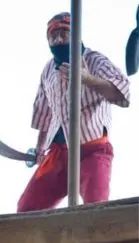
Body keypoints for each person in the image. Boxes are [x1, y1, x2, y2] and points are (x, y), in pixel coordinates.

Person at [17, 11, 130, 213]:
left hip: (92, 149)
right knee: (27, 208)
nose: (59, 39)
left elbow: (123, 96)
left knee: (95, 210)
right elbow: (44, 114)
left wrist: (87, 78)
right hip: (59, 152)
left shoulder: (94, 60)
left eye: (64, 33)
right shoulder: (48, 70)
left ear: (76, 35)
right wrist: (40, 148)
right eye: (54, 35)